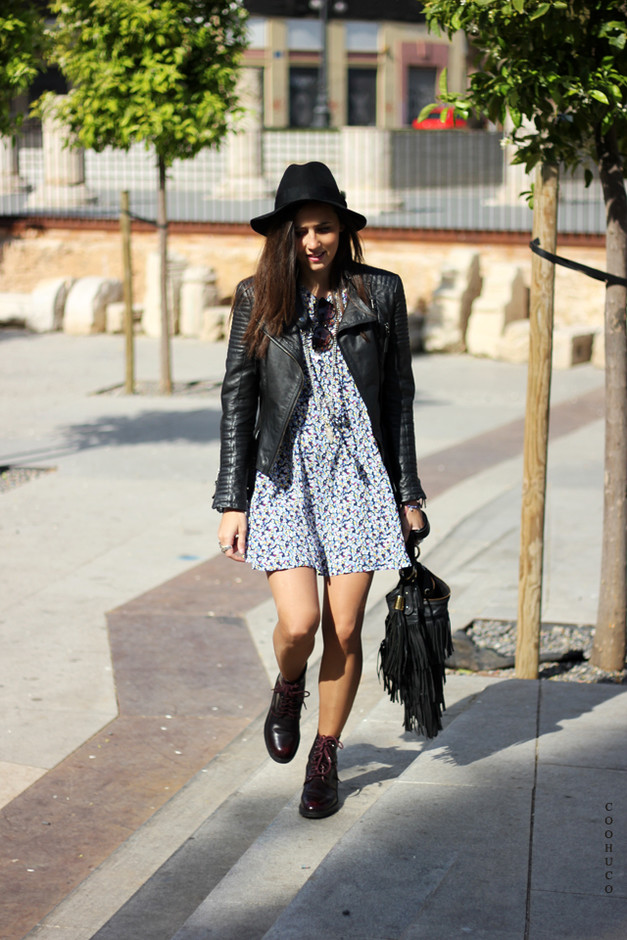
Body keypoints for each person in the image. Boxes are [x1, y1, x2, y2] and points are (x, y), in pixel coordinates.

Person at [213, 162, 427, 819]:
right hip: (284, 474)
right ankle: (287, 685)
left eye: (325, 228)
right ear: (285, 235)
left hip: (361, 476)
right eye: (302, 229)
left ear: (342, 231)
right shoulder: (258, 296)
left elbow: (397, 399)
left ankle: (324, 757)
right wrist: (231, 498)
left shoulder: (378, 294)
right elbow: (237, 400)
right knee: (299, 624)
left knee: (343, 625)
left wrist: (408, 491)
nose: (314, 240)